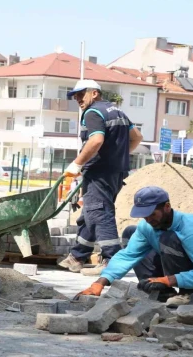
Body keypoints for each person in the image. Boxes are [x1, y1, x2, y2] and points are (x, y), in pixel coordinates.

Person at [75, 186, 193, 306]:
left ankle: (185, 293)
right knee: (132, 232)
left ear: (167, 207)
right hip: (177, 273)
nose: (148, 219)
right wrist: (100, 283)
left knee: (168, 237)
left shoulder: (191, 228)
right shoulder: (148, 226)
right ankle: (164, 293)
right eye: (144, 215)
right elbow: (128, 255)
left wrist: (168, 280)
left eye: (152, 214)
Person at [57, 79, 143, 276]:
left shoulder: (93, 112)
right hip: (116, 171)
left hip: (99, 171)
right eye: (75, 96)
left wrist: (77, 163)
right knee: (89, 213)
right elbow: (136, 137)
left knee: (99, 212)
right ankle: (78, 256)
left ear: (94, 93)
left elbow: (96, 139)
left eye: (81, 94)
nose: (78, 99)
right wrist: (119, 156)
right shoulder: (117, 112)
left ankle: (112, 260)